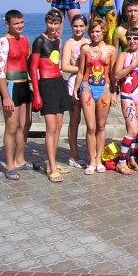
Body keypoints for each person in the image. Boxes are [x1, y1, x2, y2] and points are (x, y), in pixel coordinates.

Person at [29, 9, 72, 183]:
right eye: (50, 23)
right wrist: (37, 93)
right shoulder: (39, 41)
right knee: (51, 127)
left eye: (56, 23)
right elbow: (33, 68)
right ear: (46, 22)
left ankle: (51, 162)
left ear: (60, 24)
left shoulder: (57, 40)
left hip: (59, 83)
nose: (53, 26)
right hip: (46, 84)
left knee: (59, 125)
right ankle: (52, 169)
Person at [72, 18, 117, 175]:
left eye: (97, 31)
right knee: (91, 127)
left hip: (104, 89)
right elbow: (80, 71)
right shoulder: (85, 49)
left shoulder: (111, 50)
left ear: (104, 31)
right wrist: (75, 90)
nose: (94, 34)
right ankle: (92, 160)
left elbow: (113, 74)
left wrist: (114, 92)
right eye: (92, 31)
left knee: (101, 126)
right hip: (87, 89)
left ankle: (99, 159)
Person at [0, 10, 32, 180]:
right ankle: (9, 165)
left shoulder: (25, 39)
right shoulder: (3, 42)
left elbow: (29, 62)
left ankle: (19, 159)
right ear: (7, 24)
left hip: (24, 84)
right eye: (16, 23)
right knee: (11, 127)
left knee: (25, 124)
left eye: (21, 22)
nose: (20, 26)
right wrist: (6, 97)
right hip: (11, 86)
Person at [114, 27, 138, 175]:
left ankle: (132, 158)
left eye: (135, 38)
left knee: (137, 131)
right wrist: (132, 65)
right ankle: (121, 162)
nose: (132, 41)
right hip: (127, 95)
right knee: (133, 130)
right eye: (129, 38)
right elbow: (117, 75)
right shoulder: (123, 55)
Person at [61, 14, 89, 168]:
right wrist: (81, 69)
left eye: (81, 26)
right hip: (74, 83)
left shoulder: (89, 42)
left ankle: (91, 153)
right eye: (75, 26)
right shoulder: (69, 43)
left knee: (91, 120)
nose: (78, 29)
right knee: (74, 120)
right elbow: (65, 66)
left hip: (88, 82)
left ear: (85, 27)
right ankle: (73, 154)